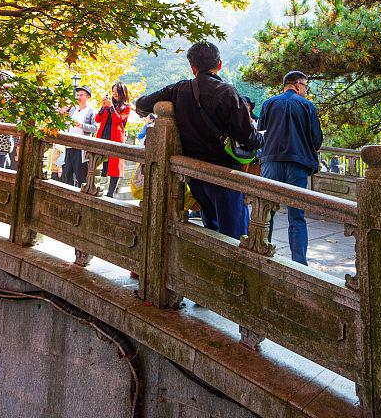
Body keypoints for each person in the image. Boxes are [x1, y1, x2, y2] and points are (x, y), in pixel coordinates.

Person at [135, 41, 262, 240]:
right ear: (219, 64)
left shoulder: (179, 90)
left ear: (192, 68)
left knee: (210, 229)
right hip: (225, 175)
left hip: (194, 173)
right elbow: (247, 137)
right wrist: (263, 138)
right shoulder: (228, 93)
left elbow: (142, 104)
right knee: (235, 235)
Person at [258, 71, 324, 265]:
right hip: (298, 164)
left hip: (271, 162)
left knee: (266, 210)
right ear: (296, 85)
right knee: (297, 215)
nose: (305, 90)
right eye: (305, 86)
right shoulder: (307, 106)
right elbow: (316, 139)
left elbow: (261, 132)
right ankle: (299, 262)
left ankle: (262, 250)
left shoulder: (268, 104)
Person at [95, 83, 131, 198]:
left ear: (122, 92)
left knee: (114, 165)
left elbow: (117, 120)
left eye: (116, 91)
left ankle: (110, 193)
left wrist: (111, 107)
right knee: (98, 161)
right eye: (113, 91)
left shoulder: (126, 107)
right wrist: (102, 106)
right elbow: (97, 119)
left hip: (115, 137)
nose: (114, 94)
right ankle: (96, 186)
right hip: (103, 134)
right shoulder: (109, 104)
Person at [62, 86, 96, 185]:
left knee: (81, 175)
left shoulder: (91, 111)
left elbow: (95, 128)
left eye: (81, 95)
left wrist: (81, 125)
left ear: (88, 97)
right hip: (69, 145)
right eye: (78, 95)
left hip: (81, 148)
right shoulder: (73, 110)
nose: (78, 97)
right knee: (67, 174)